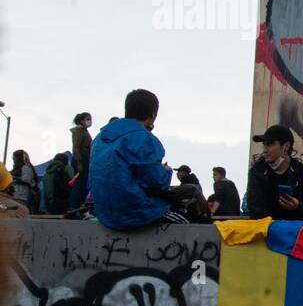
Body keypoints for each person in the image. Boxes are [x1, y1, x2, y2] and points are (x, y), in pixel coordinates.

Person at [89, 89, 208, 229]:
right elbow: (155, 183)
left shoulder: (100, 139)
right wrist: (166, 171)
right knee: (188, 224)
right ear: (153, 115)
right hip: (134, 213)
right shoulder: (143, 138)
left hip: (105, 213)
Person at [245, 123, 303, 221]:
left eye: (270, 144)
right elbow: (255, 211)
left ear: (286, 146)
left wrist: (298, 207)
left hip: (298, 233)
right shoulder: (257, 172)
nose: (265, 150)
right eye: (264, 145)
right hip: (267, 232)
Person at [68, 112, 93, 209]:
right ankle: (74, 206)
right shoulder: (78, 131)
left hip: (85, 158)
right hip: (81, 159)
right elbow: (76, 148)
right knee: (79, 184)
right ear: (81, 120)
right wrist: (79, 162)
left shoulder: (84, 131)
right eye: (87, 119)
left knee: (82, 183)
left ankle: (79, 205)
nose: (90, 121)